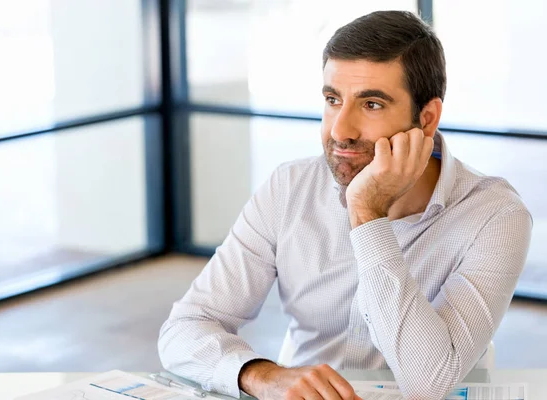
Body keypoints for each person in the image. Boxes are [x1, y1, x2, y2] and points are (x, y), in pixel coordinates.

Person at [158, 10, 532, 400]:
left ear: (427, 118)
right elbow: (186, 327)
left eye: (371, 104)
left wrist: (367, 214)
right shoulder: (289, 188)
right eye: (333, 100)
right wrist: (260, 375)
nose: (340, 130)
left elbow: (430, 382)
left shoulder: (495, 215)